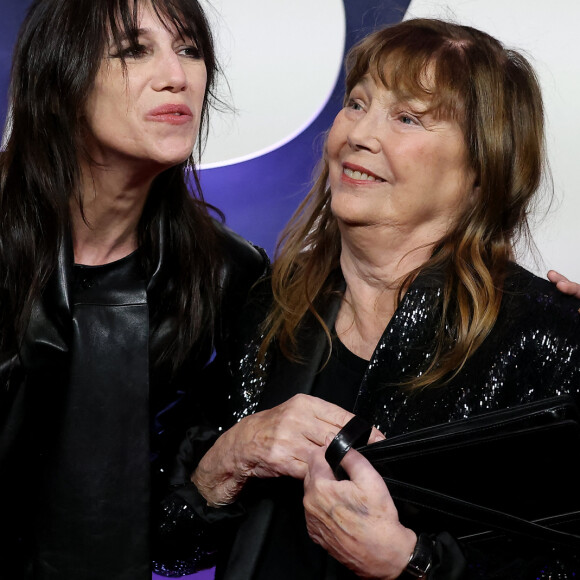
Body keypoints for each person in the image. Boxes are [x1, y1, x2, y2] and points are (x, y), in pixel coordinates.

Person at [166, 18, 580, 580]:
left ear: (484, 168)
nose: (359, 133)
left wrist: (411, 562)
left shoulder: (547, 338)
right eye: (357, 104)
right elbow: (171, 547)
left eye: (408, 117)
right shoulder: (267, 306)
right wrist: (227, 460)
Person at [0, 0, 267, 578]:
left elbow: (177, 542)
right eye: (134, 50)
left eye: (189, 50)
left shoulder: (226, 276)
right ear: (61, 76)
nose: (176, 75)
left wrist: (218, 475)